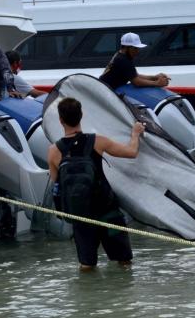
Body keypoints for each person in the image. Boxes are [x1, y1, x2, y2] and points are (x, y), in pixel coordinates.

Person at [47, 97, 145, 271]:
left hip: (81, 216)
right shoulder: (98, 141)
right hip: (107, 211)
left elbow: (56, 182)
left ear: (60, 120)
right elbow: (131, 153)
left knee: (86, 266)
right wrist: (135, 133)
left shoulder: (54, 150)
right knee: (124, 263)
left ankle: (87, 296)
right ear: (81, 115)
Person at [99, 32, 170, 90]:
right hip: (106, 92)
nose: (137, 51)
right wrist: (157, 83)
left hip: (105, 88)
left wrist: (154, 77)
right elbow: (136, 82)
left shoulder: (120, 55)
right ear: (127, 47)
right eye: (135, 48)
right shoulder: (123, 60)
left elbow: (134, 76)